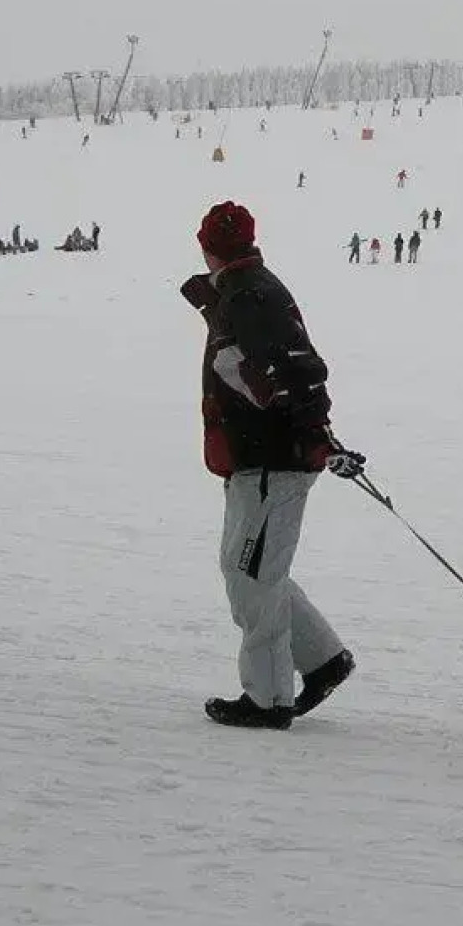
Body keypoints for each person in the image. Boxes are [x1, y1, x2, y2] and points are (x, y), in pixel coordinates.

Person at [179, 200, 363, 730]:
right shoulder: (247, 291)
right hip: (260, 458)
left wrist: (314, 438)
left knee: (251, 577)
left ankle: (268, 698)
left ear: (210, 246)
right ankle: (322, 659)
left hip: (269, 461)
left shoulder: (249, 297)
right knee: (254, 568)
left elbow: (293, 374)